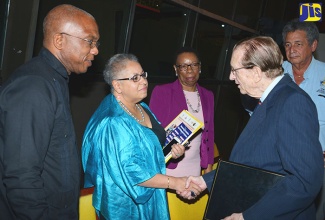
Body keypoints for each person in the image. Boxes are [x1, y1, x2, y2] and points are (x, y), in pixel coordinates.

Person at [182, 36, 323, 219]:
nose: (231, 77)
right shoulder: (268, 99)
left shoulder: (292, 103)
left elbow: (304, 182)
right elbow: (256, 162)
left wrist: (247, 216)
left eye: (234, 70)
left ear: (256, 72)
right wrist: (206, 180)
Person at [0, 4, 100, 219]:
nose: (95, 50)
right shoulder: (34, 85)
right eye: (89, 41)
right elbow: (21, 177)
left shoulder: (54, 80)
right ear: (59, 40)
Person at [81, 53, 202, 220]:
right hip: (126, 206)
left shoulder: (141, 106)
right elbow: (131, 171)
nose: (144, 81)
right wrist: (176, 182)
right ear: (117, 85)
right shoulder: (113, 122)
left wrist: (171, 152)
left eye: (143, 75)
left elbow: (149, 149)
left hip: (151, 193)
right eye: (135, 78)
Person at [149, 47, 214, 219]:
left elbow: (209, 132)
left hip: (194, 167)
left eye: (193, 65)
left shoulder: (208, 95)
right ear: (175, 69)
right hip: (170, 168)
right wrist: (170, 148)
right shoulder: (162, 92)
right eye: (183, 66)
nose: (189, 70)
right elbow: (153, 133)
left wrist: (207, 169)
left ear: (200, 67)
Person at [282, 19, 325, 220]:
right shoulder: (275, 72)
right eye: (288, 45)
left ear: (313, 45)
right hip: (279, 159)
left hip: (316, 161)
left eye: (298, 44)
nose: (292, 50)